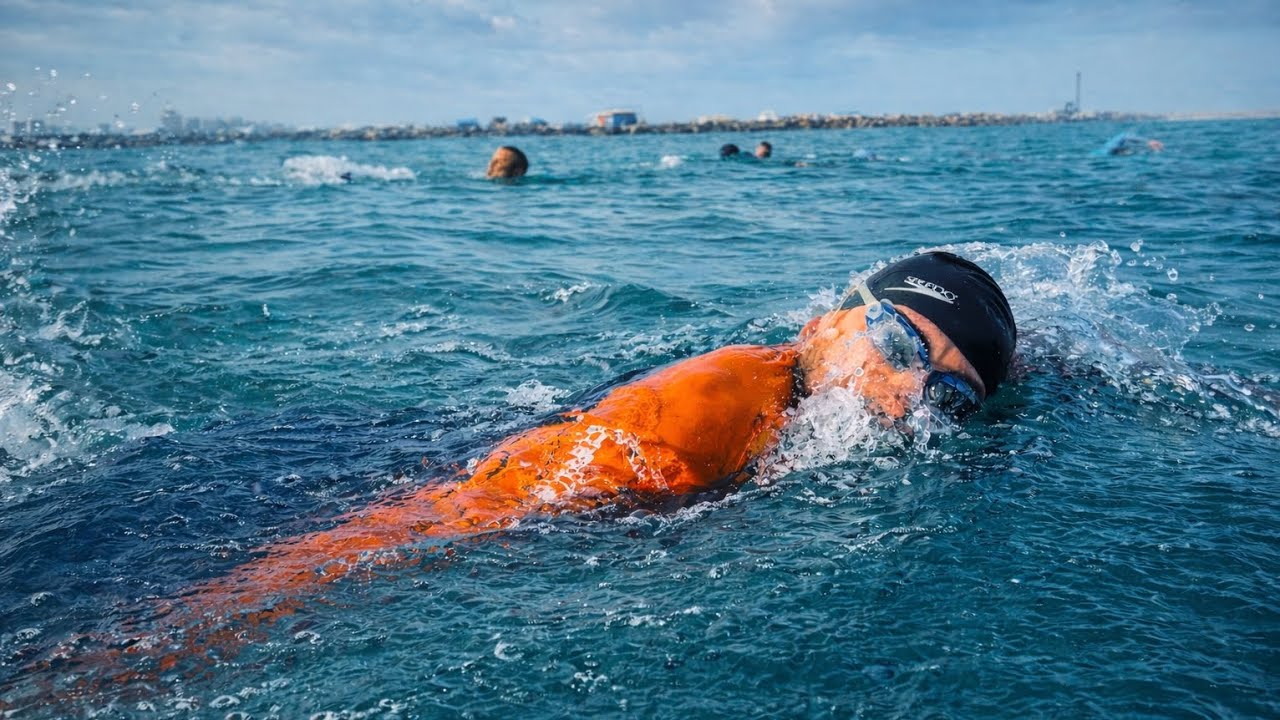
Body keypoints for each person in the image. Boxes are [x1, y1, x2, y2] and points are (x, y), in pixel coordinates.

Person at [31, 251, 1016, 693]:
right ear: (824, 321)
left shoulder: (793, 393)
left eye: (943, 394)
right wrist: (161, 652)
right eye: (891, 340)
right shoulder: (693, 423)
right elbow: (425, 521)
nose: (897, 392)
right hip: (333, 470)